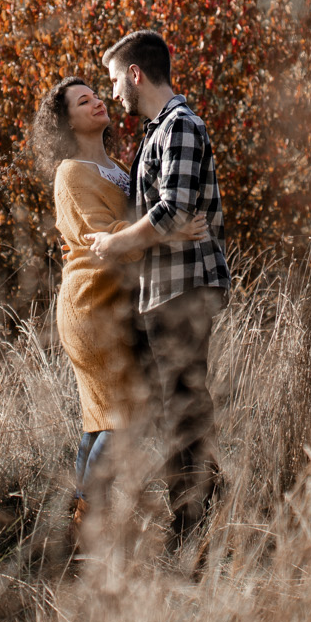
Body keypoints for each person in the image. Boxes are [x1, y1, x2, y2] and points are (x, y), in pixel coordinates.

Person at [33, 75, 207, 531]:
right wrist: (168, 228)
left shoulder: (114, 167)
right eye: (82, 101)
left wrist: (152, 227)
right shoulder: (70, 173)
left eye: (95, 96)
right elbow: (103, 240)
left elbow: (126, 228)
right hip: (92, 305)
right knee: (123, 417)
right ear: (65, 121)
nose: (96, 103)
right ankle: (89, 521)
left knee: (100, 418)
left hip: (118, 304)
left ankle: (80, 521)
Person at [84, 28, 230, 555]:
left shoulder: (181, 127)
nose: (114, 92)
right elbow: (163, 215)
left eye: (114, 80)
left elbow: (171, 211)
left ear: (136, 74)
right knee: (170, 407)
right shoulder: (155, 132)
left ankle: (191, 529)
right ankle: (209, 501)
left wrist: (118, 244)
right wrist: (150, 228)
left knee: (183, 407)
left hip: (185, 288)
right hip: (160, 290)